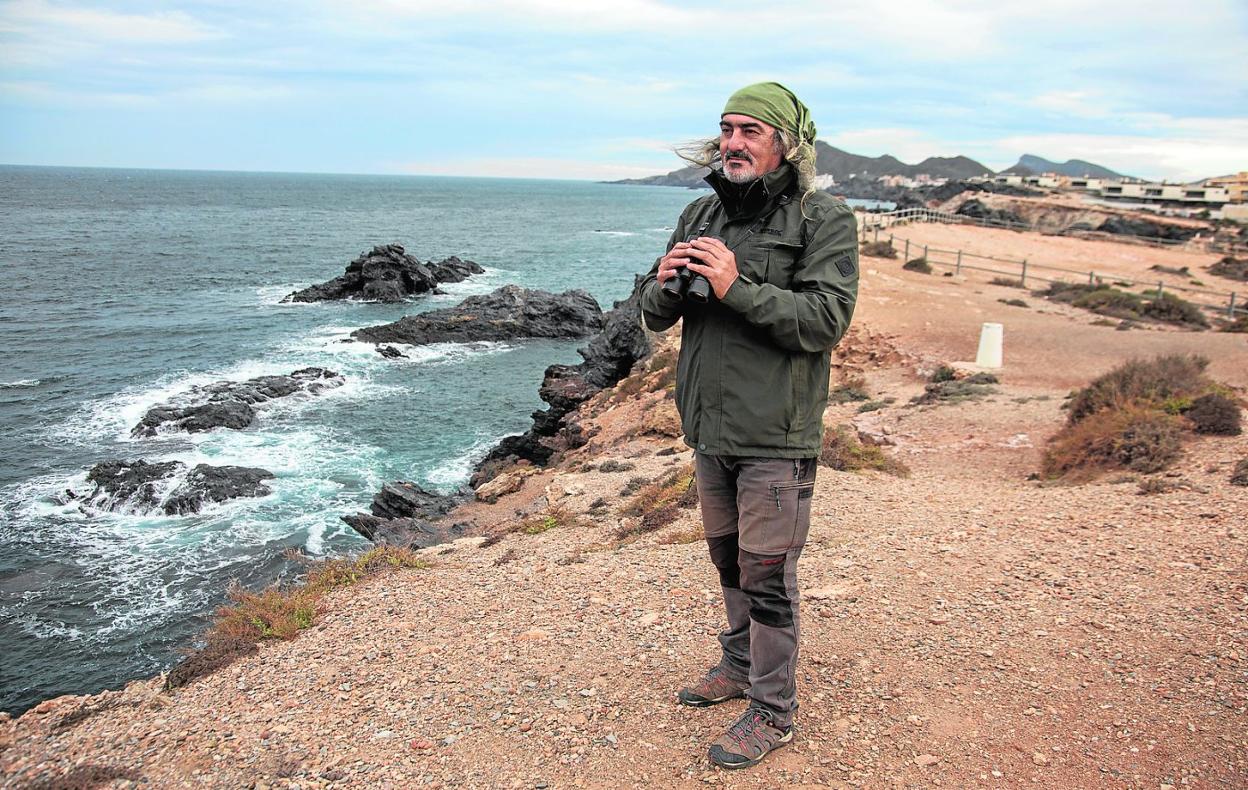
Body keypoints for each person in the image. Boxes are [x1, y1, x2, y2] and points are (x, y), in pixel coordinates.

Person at [639, 82, 859, 770]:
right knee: (729, 561)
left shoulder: (821, 219)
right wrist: (665, 283)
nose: (733, 142)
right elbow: (650, 313)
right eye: (727, 128)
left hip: (775, 433)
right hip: (710, 427)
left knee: (767, 575)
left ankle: (773, 711)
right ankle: (737, 667)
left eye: (750, 131)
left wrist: (737, 286)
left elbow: (826, 320)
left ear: (785, 144)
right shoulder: (700, 210)